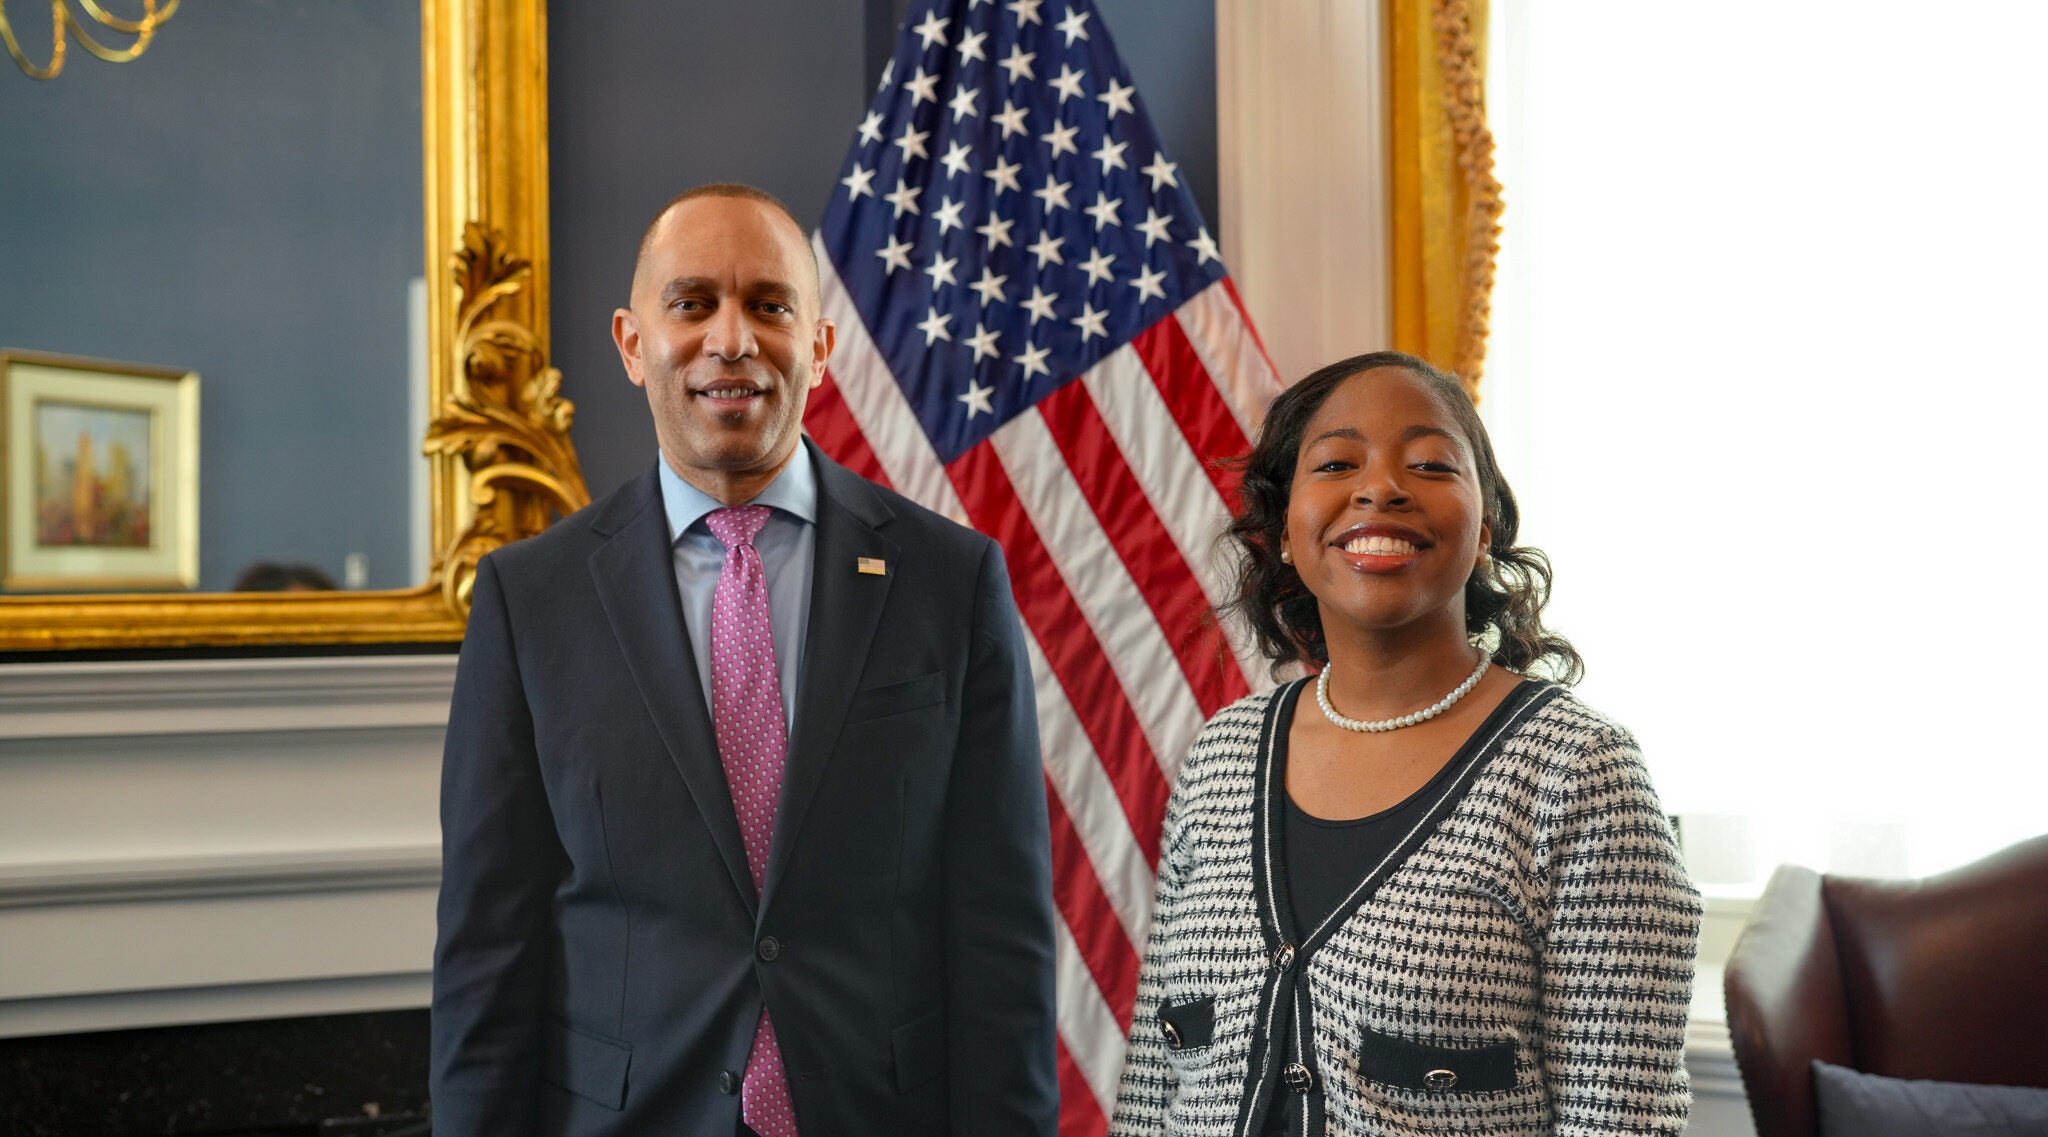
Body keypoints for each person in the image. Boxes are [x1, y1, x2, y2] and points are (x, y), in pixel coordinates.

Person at [431, 184, 1058, 1137]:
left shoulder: (951, 579)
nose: (733, 340)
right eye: (691, 304)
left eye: (769, 305)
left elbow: (1001, 940)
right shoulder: (529, 600)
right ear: (632, 341)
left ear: (818, 345)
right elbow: (488, 948)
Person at [1108, 352, 1701, 1137]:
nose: (1380, 486)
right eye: (1337, 462)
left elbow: (1622, 1122)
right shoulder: (1222, 756)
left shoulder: (1579, 772)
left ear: (1483, 528)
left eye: (1428, 463)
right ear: (1286, 529)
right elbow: (1155, 1089)